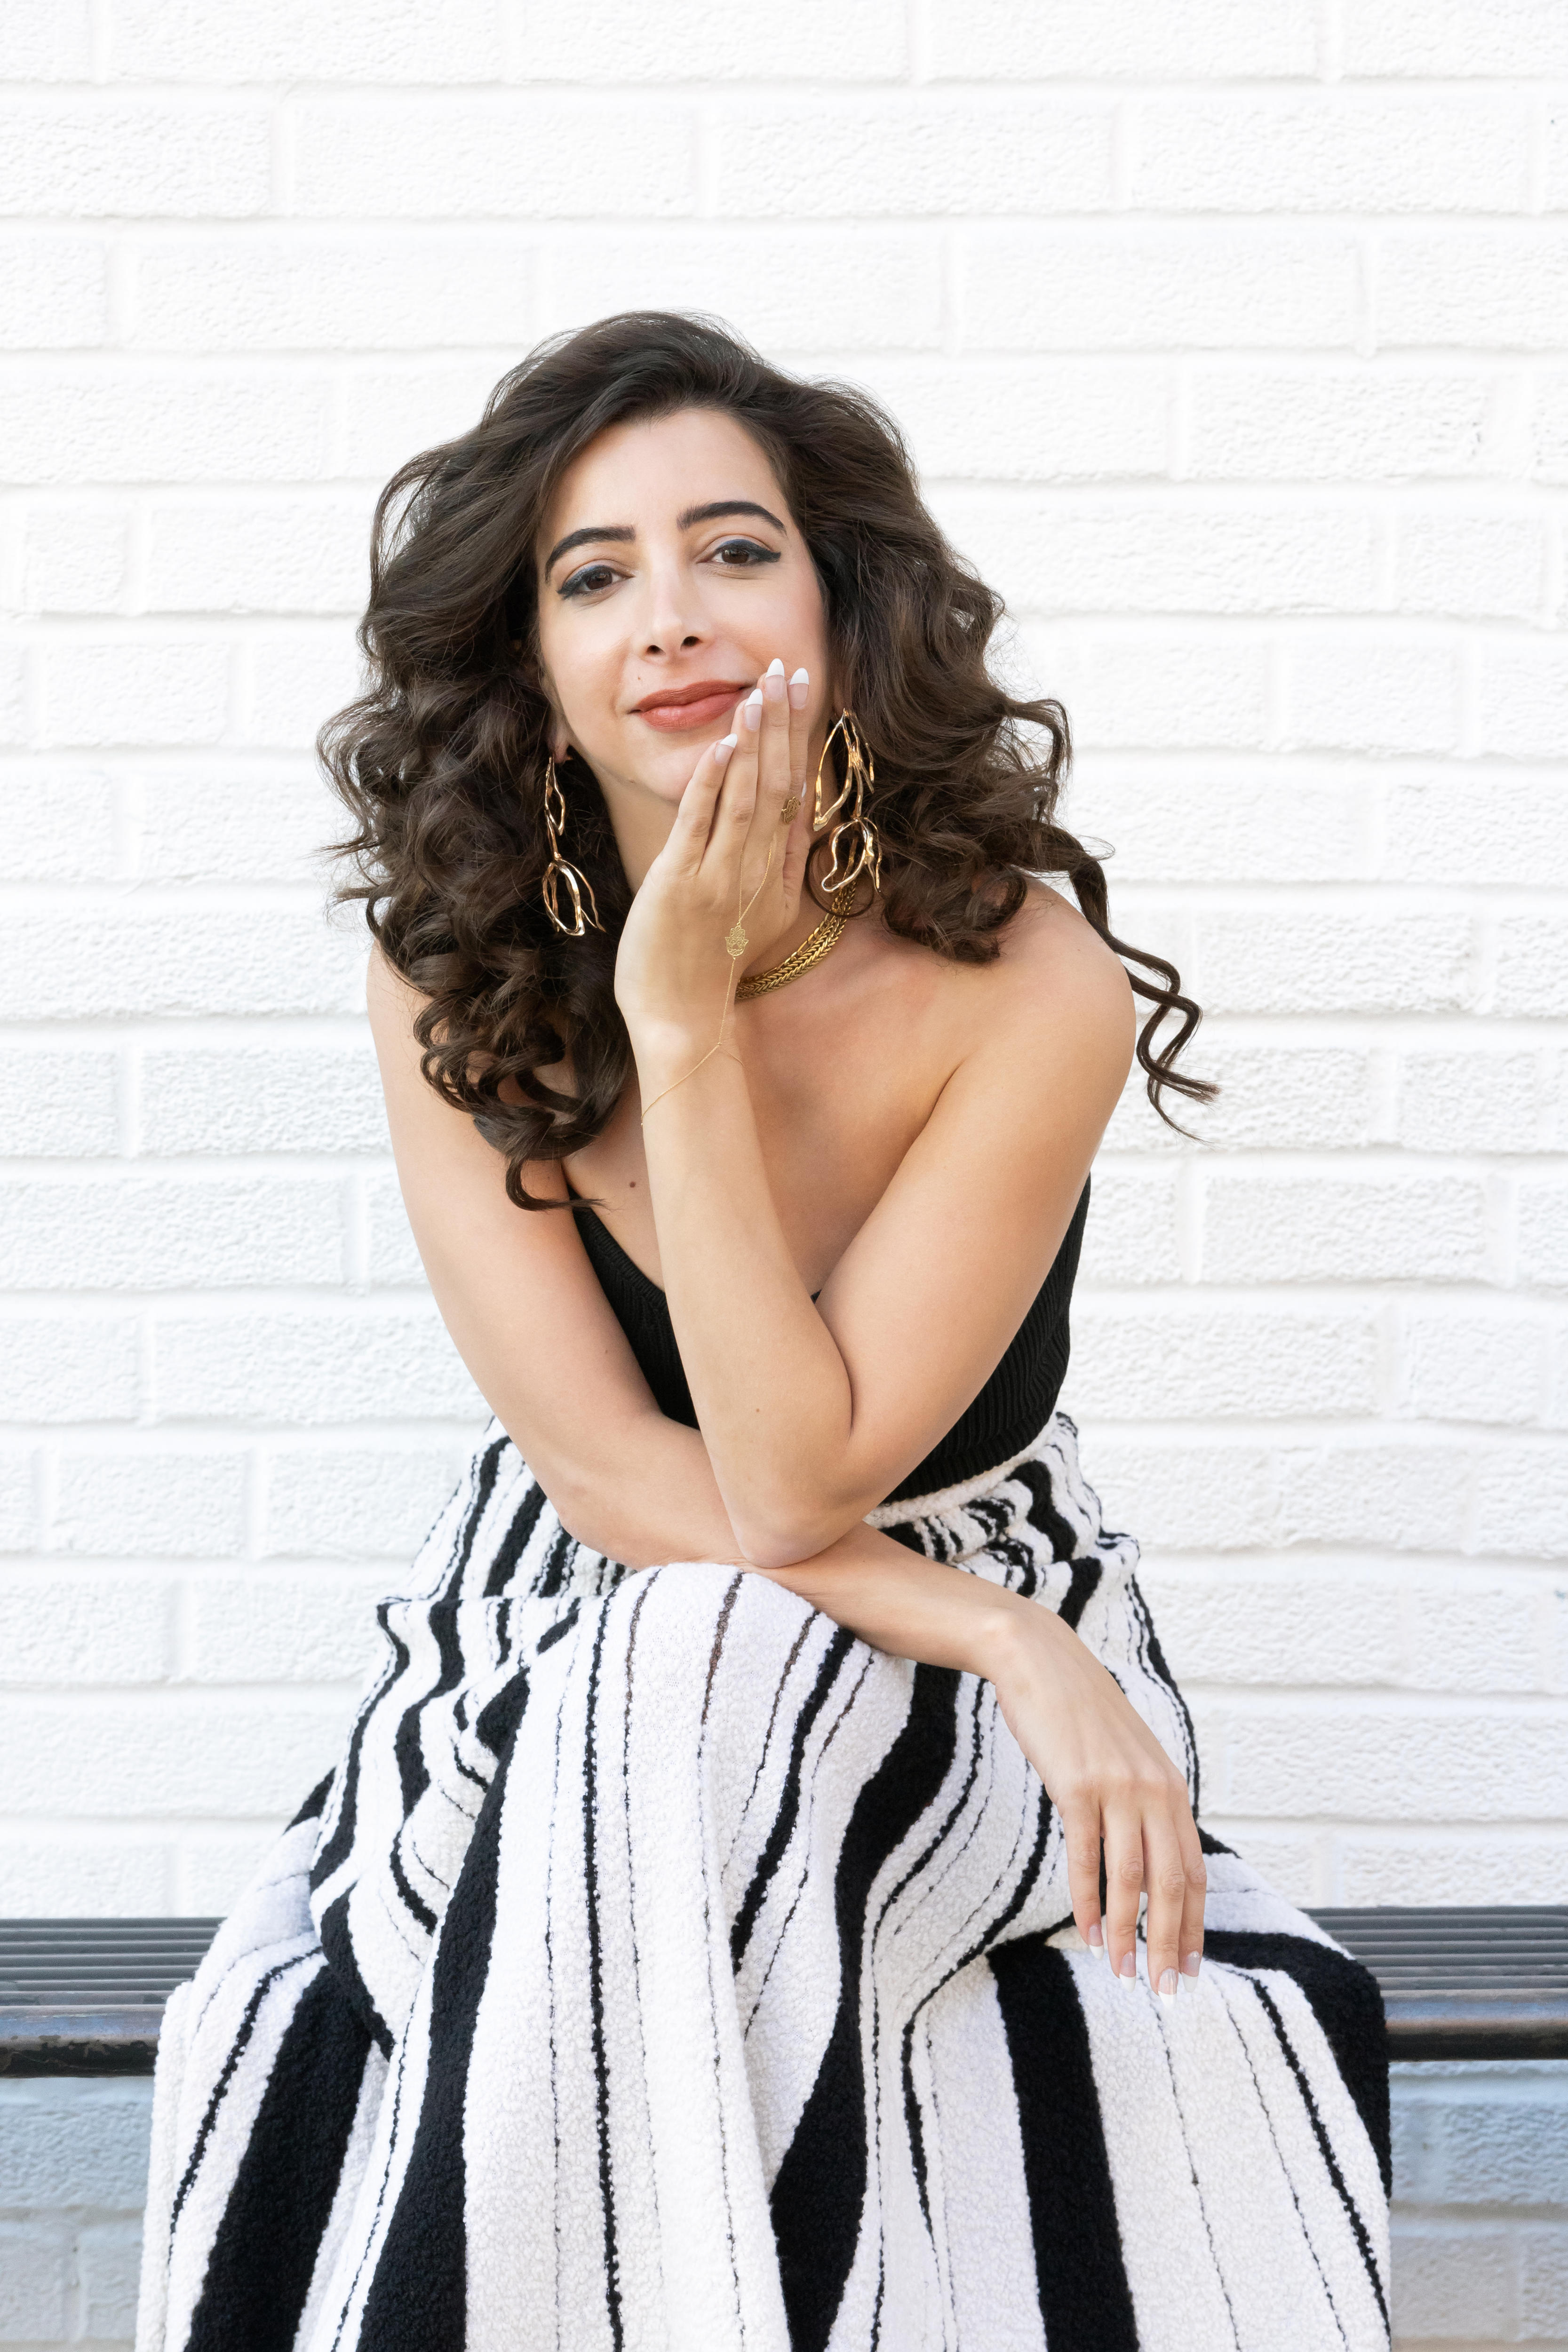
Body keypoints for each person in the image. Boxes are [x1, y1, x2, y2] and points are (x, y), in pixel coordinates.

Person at [135, 313, 1391, 2352]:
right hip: (597, 1601)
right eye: (594, 573)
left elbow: (807, 1475)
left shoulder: (1023, 983)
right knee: (663, 1660)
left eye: (735, 549)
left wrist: (691, 1025)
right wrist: (1012, 1646)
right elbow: (620, 1477)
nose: (672, 617)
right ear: (532, 671)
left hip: (950, 1551)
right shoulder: (442, 955)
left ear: (840, 601)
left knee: (686, 1696)